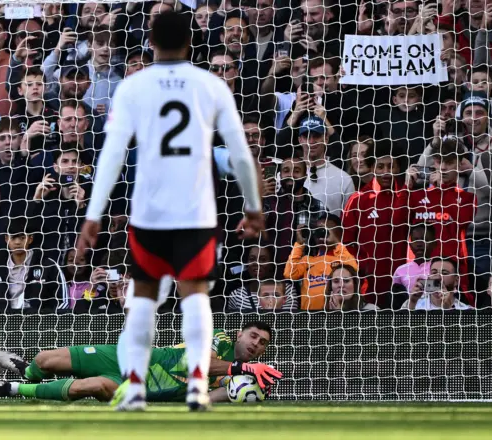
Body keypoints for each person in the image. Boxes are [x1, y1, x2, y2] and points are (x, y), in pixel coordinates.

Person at [76, 11, 273, 411]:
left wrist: (93, 215)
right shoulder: (210, 85)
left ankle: (133, 388)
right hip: (197, 214)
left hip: (148, 214)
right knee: (196, 299)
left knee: (143, 299)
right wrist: (254, 207)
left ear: (150, 40)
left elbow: (112, 154)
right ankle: (198, 387)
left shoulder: (133, 86)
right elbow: (240, 151)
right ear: (190, 41)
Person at [0, 321, 274, 404]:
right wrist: (244, 370)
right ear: (239, 333)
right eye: (252, 336)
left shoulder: (237, 379)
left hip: (135, 387)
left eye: (261, 343)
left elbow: (209, 396)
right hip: (129, 358)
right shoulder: (218, 338)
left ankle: (12, 387)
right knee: (46, 360)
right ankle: (25, 368)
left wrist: (248, 390)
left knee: (90, 386)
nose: (254, 344)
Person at [399, 139, 477, 305]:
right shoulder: (416, 196)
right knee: (418, 316)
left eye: (448, 163)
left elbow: (461, 221)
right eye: (439, 161)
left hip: (450, 273)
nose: (442, 168)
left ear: (460, 164)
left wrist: (441, 191)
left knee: (450, 316)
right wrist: (407, 186)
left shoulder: (468, 198)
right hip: (418, 271)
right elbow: (396, 221)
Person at [341, 140, 408, 306]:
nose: (386, 172)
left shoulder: (408, 196)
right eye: (380, 166)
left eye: (391, 166)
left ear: (398, 168)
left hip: (404, 284)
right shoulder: (358, 200)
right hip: (369, 285)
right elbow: (346, 243)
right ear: (371, 168)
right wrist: (364, 266)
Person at [0, 219, 67, 314]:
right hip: (6, 325)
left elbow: (64, 302)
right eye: (13, 238)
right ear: (6, 239)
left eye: (22, 238)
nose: (17, 242)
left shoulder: (48, 265)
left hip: (40, 324)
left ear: (30, 239)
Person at [284, 214, 358, 311]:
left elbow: (353, 269)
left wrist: (337, 242)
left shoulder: (343, 257)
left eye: (326, 231)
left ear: (339, 233)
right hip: (309, 316)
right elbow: (289, 274)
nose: (322, 235)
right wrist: (299, 244)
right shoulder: (308, 260)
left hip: (335, 312)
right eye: (318, 231)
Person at [298, 116, 354, 217]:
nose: (311, 141)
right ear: (300, 140)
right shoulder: (286, 175)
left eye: (316, 136)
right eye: (307, 136)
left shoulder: (344, 179)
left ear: (326, 138)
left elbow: (349, 222)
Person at [391, 224, 437, 309]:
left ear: (434, 243)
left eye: (424, 239)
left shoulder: (439, 267)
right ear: (410, 244)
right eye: (415, 240)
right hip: (408, 314)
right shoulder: (400, 270)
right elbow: (396, 300)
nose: (419, 244)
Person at [402, 257, 473, 310]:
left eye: (444, 273)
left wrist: (448, 308)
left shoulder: (466, 310)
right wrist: (412, 303)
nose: (438, 277)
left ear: (456, 281)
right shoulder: (412, 302)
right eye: (434, 272)